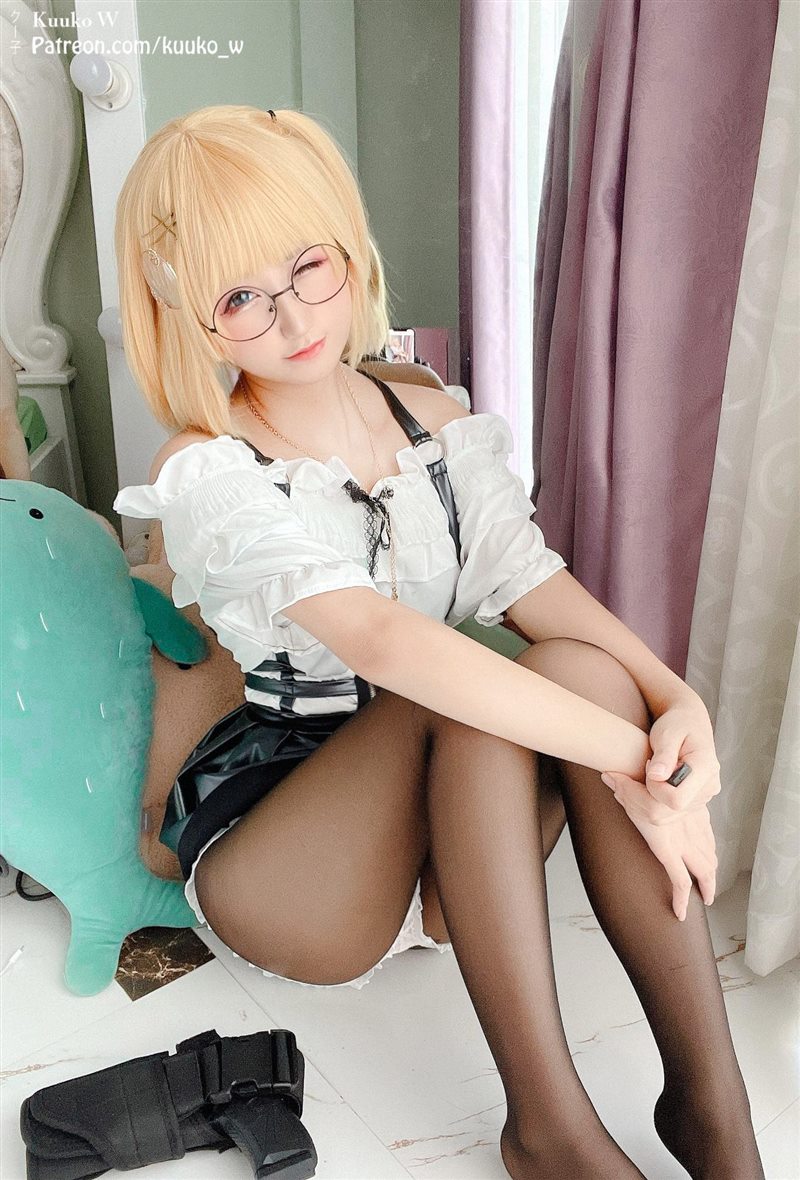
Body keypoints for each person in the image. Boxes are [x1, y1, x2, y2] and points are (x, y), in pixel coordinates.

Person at [112, 105, 763, 1180]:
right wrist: (629, 758)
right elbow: (381, 641)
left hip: (455, 823)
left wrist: (671, 700)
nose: (291, 316)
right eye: (240, 298)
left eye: (306, 266)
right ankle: (548, 1127)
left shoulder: (432, 423)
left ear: (344, 245)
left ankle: (710, 1105)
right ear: (189, 316)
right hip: (294, 858)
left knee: (583, 668)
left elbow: (534, 585)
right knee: (449, 679)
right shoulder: (209, 468)